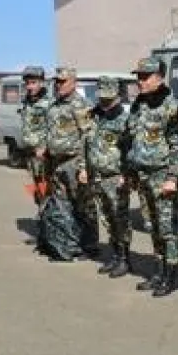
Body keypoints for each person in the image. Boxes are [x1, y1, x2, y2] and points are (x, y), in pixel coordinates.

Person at [125, 57, 178, 297]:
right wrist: (131, 171)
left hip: (162, 175)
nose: (140, 81)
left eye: (145, 77)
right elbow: (132, 138)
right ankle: (158, 271)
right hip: (142, 175)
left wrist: (173, 177)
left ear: (160, 78)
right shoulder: (139, 104)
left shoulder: (171, 107)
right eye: (138, 77)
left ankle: (170, 276)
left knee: (167, 227)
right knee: (152, 225)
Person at [41, 66, 99, 261]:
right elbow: (50, 132)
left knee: (83, 205)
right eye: (57, 81)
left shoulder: (81, 105)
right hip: (57, 163)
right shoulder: (53, 105)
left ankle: (90, 245)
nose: (59, 85)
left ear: (74, 82)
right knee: (62, 206)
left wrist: (84, 167)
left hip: (74, 162)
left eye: (63, 81)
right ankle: (68, 247)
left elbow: (88, 137)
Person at [86, 76, 132, 278]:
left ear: (118, 97)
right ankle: (115, 255)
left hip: (115, 177)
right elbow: (87, 143)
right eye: (102, 97)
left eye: (108, 98)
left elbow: (130, 151)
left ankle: (124, 259)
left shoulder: (124, 120)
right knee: (107, 219)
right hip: (97, 176)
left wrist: (126, 175)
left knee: (120, 219)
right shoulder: (95, 117)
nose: (104, 101)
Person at [18, 66, 51, 251]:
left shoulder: (49, 103)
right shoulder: (27, 102)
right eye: (27, 83)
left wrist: (45, 147)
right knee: (38, 194)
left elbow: (55, 129)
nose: (30, 86)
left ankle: (48, 233)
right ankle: (43, 232)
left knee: (49, 194)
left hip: (45, 157)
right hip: (31, 157)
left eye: (33, 83)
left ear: (42, 82)